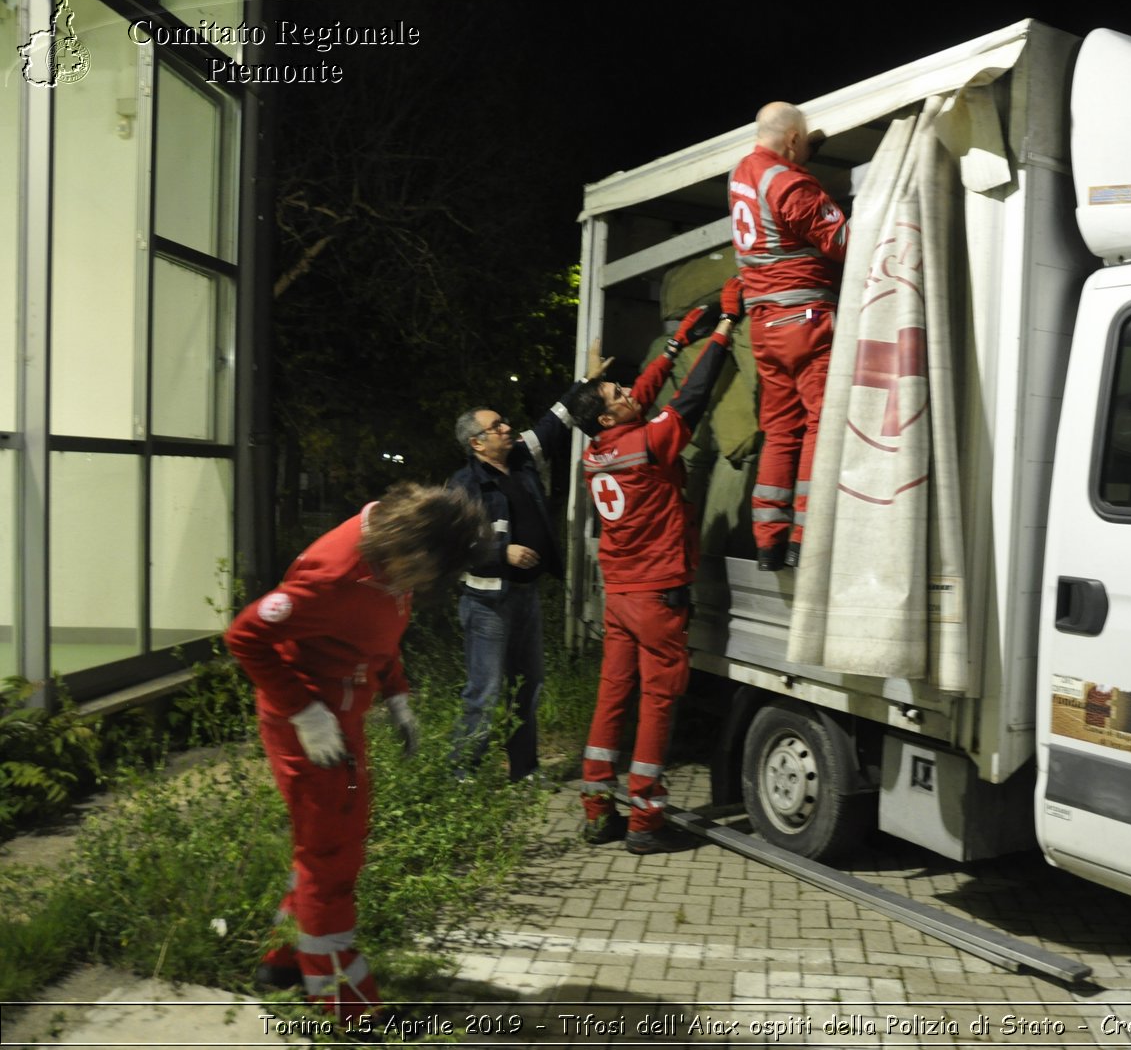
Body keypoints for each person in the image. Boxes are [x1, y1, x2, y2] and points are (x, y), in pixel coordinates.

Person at [225, 482, 485, 1021]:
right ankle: (346, 1008)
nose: (425, 585)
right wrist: (304, 712)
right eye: (429, 572)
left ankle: (284, 961)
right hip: (312, 733)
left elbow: (374, 640)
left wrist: (397, 698)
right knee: (332, 857)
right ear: (412, 550)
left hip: (338, 723)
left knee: (326, 848)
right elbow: (245, 636)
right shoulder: (334, 575)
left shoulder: (388, 557)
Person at [566, 278, 743, 854]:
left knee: (613, 695)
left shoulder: (598, 451)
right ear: (609, 413)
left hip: (620, 594)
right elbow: (692, 398)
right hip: (659, 596)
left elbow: (639, 397)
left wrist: (670, 348)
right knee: (657, 703)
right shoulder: (651, 443)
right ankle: (645, 820)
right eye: (618, 393)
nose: (628, 393)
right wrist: (721, 331)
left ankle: (598, 808)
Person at [446, 374, 593, 783]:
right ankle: (460, 773)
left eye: (503, 422)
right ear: (477, 442)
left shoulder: (520, 460)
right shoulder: (464, 485)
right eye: (496, 427)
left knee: (528, 687)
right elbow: (451, 546)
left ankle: (524, 769)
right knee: (486, 691)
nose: (506, 428)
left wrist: (586, 382)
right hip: (487, 604)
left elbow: (554, 421)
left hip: (526, 597)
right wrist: (500, 552)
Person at [729, 101, 849, 570]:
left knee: (779, 430)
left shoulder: (744, 171)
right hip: (805, 321)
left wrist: (799, 154)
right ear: (794, 139)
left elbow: (776, 199)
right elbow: (842, 241)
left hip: (764, 326)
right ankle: (805, 534)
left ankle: (769, 542)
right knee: (821, 421)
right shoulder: (791, 183)